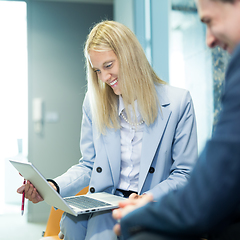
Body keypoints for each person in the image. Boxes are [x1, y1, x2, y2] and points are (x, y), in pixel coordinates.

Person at [17, 20, 198, 240]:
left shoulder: (179, 102)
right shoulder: (94, 104)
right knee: (73, 223)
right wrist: (53, 186)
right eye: (97, 70)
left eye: (109, 65)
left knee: (100, 235)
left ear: (130, 56)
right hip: (106, 200)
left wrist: (144, 199)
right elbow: (89, 164)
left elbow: (184, 174)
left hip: (152, 203)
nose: (104, 78)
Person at [112, 0, 240, 239]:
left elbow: (204, 188)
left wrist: (139, 213)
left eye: (210, 21)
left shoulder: (180, 100)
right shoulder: (97, 104)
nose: (209, 40)